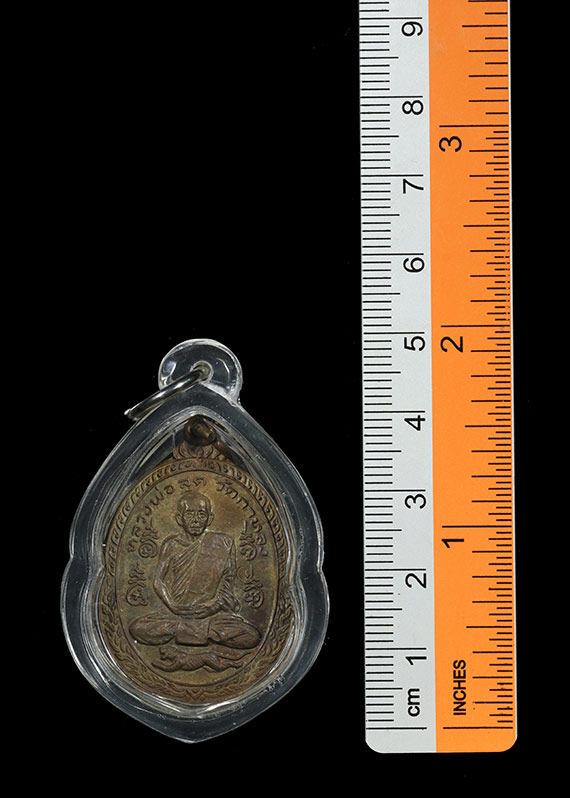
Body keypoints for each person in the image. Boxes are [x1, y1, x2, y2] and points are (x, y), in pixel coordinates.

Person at [129, 490, 260, 672]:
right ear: (179, 518)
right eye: (190, 514)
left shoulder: (222, 543)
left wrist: (212, 607)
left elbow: (226, 585)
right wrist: (173, 606)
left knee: (251, 636)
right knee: (137, 628)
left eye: (201, 514)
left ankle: (189, 631)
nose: (196, 520)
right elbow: (158, 580)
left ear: (210, 519)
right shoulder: (171, 545)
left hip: (209, 616)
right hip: (175, 614)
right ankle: (200, 633)